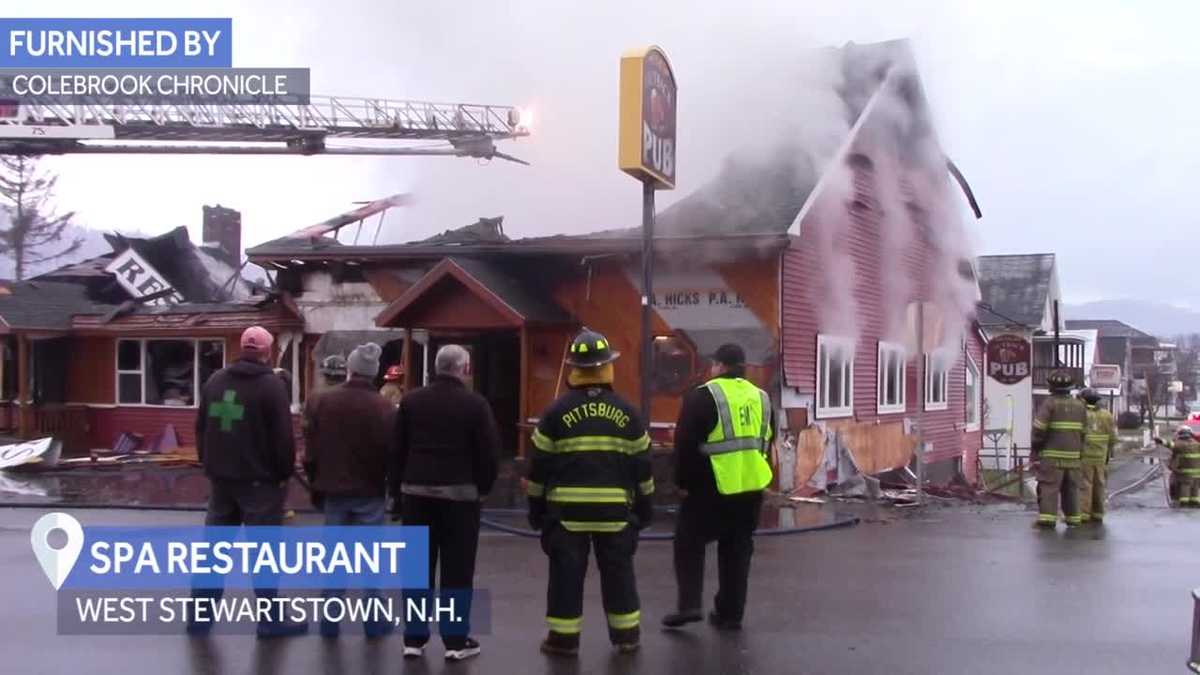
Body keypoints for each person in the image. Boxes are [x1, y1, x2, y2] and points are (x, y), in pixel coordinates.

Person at [527, 328, 652, 657]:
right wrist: (645, 510)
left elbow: (538, 468)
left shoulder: (555, 414)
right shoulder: (628, 414)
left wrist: (536, 511)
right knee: (619, 576)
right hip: (616, 515)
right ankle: (627, 637)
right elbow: (643, 469)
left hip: (566, 516)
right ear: (607, 366)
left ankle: (563, 640)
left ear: (574, 368)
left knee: (566, 578)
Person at [191, 326, 306, 638]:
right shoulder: (271, 386)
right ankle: (270, 620)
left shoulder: (215, 381)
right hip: (260, 484)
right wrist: (283, 475)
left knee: (214, 551)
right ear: (268, 352)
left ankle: (199, 618)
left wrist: (210, 464)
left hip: (222, 481)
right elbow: (283, 440)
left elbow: (201, 427)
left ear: (242, 348)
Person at [392, 344, 500, 662]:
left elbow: (396, 450)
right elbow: (488, 452)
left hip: (415, 494)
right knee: (457, 570)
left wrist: (397, 493)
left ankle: (413, 638)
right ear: (464, 369)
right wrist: (482, 487)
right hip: (460, 498)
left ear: (436, 368)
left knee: (417, 570)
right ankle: (454, 641)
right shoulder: (475, 404)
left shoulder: (411, 401)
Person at [662, 343, 773, 632]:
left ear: (720, 366)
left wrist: (682, 482)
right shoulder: (762, 398)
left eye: (713, 364)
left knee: (688, 542)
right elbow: (766, 442)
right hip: (750, 489)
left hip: (710, 488)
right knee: (737, 550)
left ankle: (689, 604)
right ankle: (730, 613)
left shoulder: (702, 396)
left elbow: (685, 445)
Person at [303, 342, 397, 638]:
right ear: (374, 374)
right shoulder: (385, 408)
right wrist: (392, 489)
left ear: (351, 369)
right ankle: (373, 619)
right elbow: (393, 454)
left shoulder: (321, 402)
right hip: (370, 490)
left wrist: (315, 481)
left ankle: (330, 619)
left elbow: (311, 449)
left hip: (333, 490)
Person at [1031, 370, 1087, 528]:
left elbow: (1039, 429)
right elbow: (1084, 433)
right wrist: (1079, 453)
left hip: (1052, 458)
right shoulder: (1080, 405)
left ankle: (1047, 520)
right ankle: (1074, 519)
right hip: (1074, 459)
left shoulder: (1050, 403)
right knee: (1072, 490)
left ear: (1051, 387)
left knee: (1048, 488)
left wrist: (1036, 446)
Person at [1078, 389, 1117, 523]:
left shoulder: (1082, 414)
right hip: (1101, 456)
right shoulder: (1107, 415)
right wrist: (1109, 451)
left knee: (1085, 485)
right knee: (1099, 484)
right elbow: (1113, 438)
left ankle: (1084, 513)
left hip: (1084, 456)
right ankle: (1098, 513)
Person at [1157, 426, 1200, 507]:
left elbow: (1170, 445)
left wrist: (1160, 441)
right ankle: (1195, 502)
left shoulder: (1180, 444)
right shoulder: (1197, 444)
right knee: (1195, 488)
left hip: (1185, 474)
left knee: (1185, 487)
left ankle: (1184, 503)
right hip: (1198, 474)